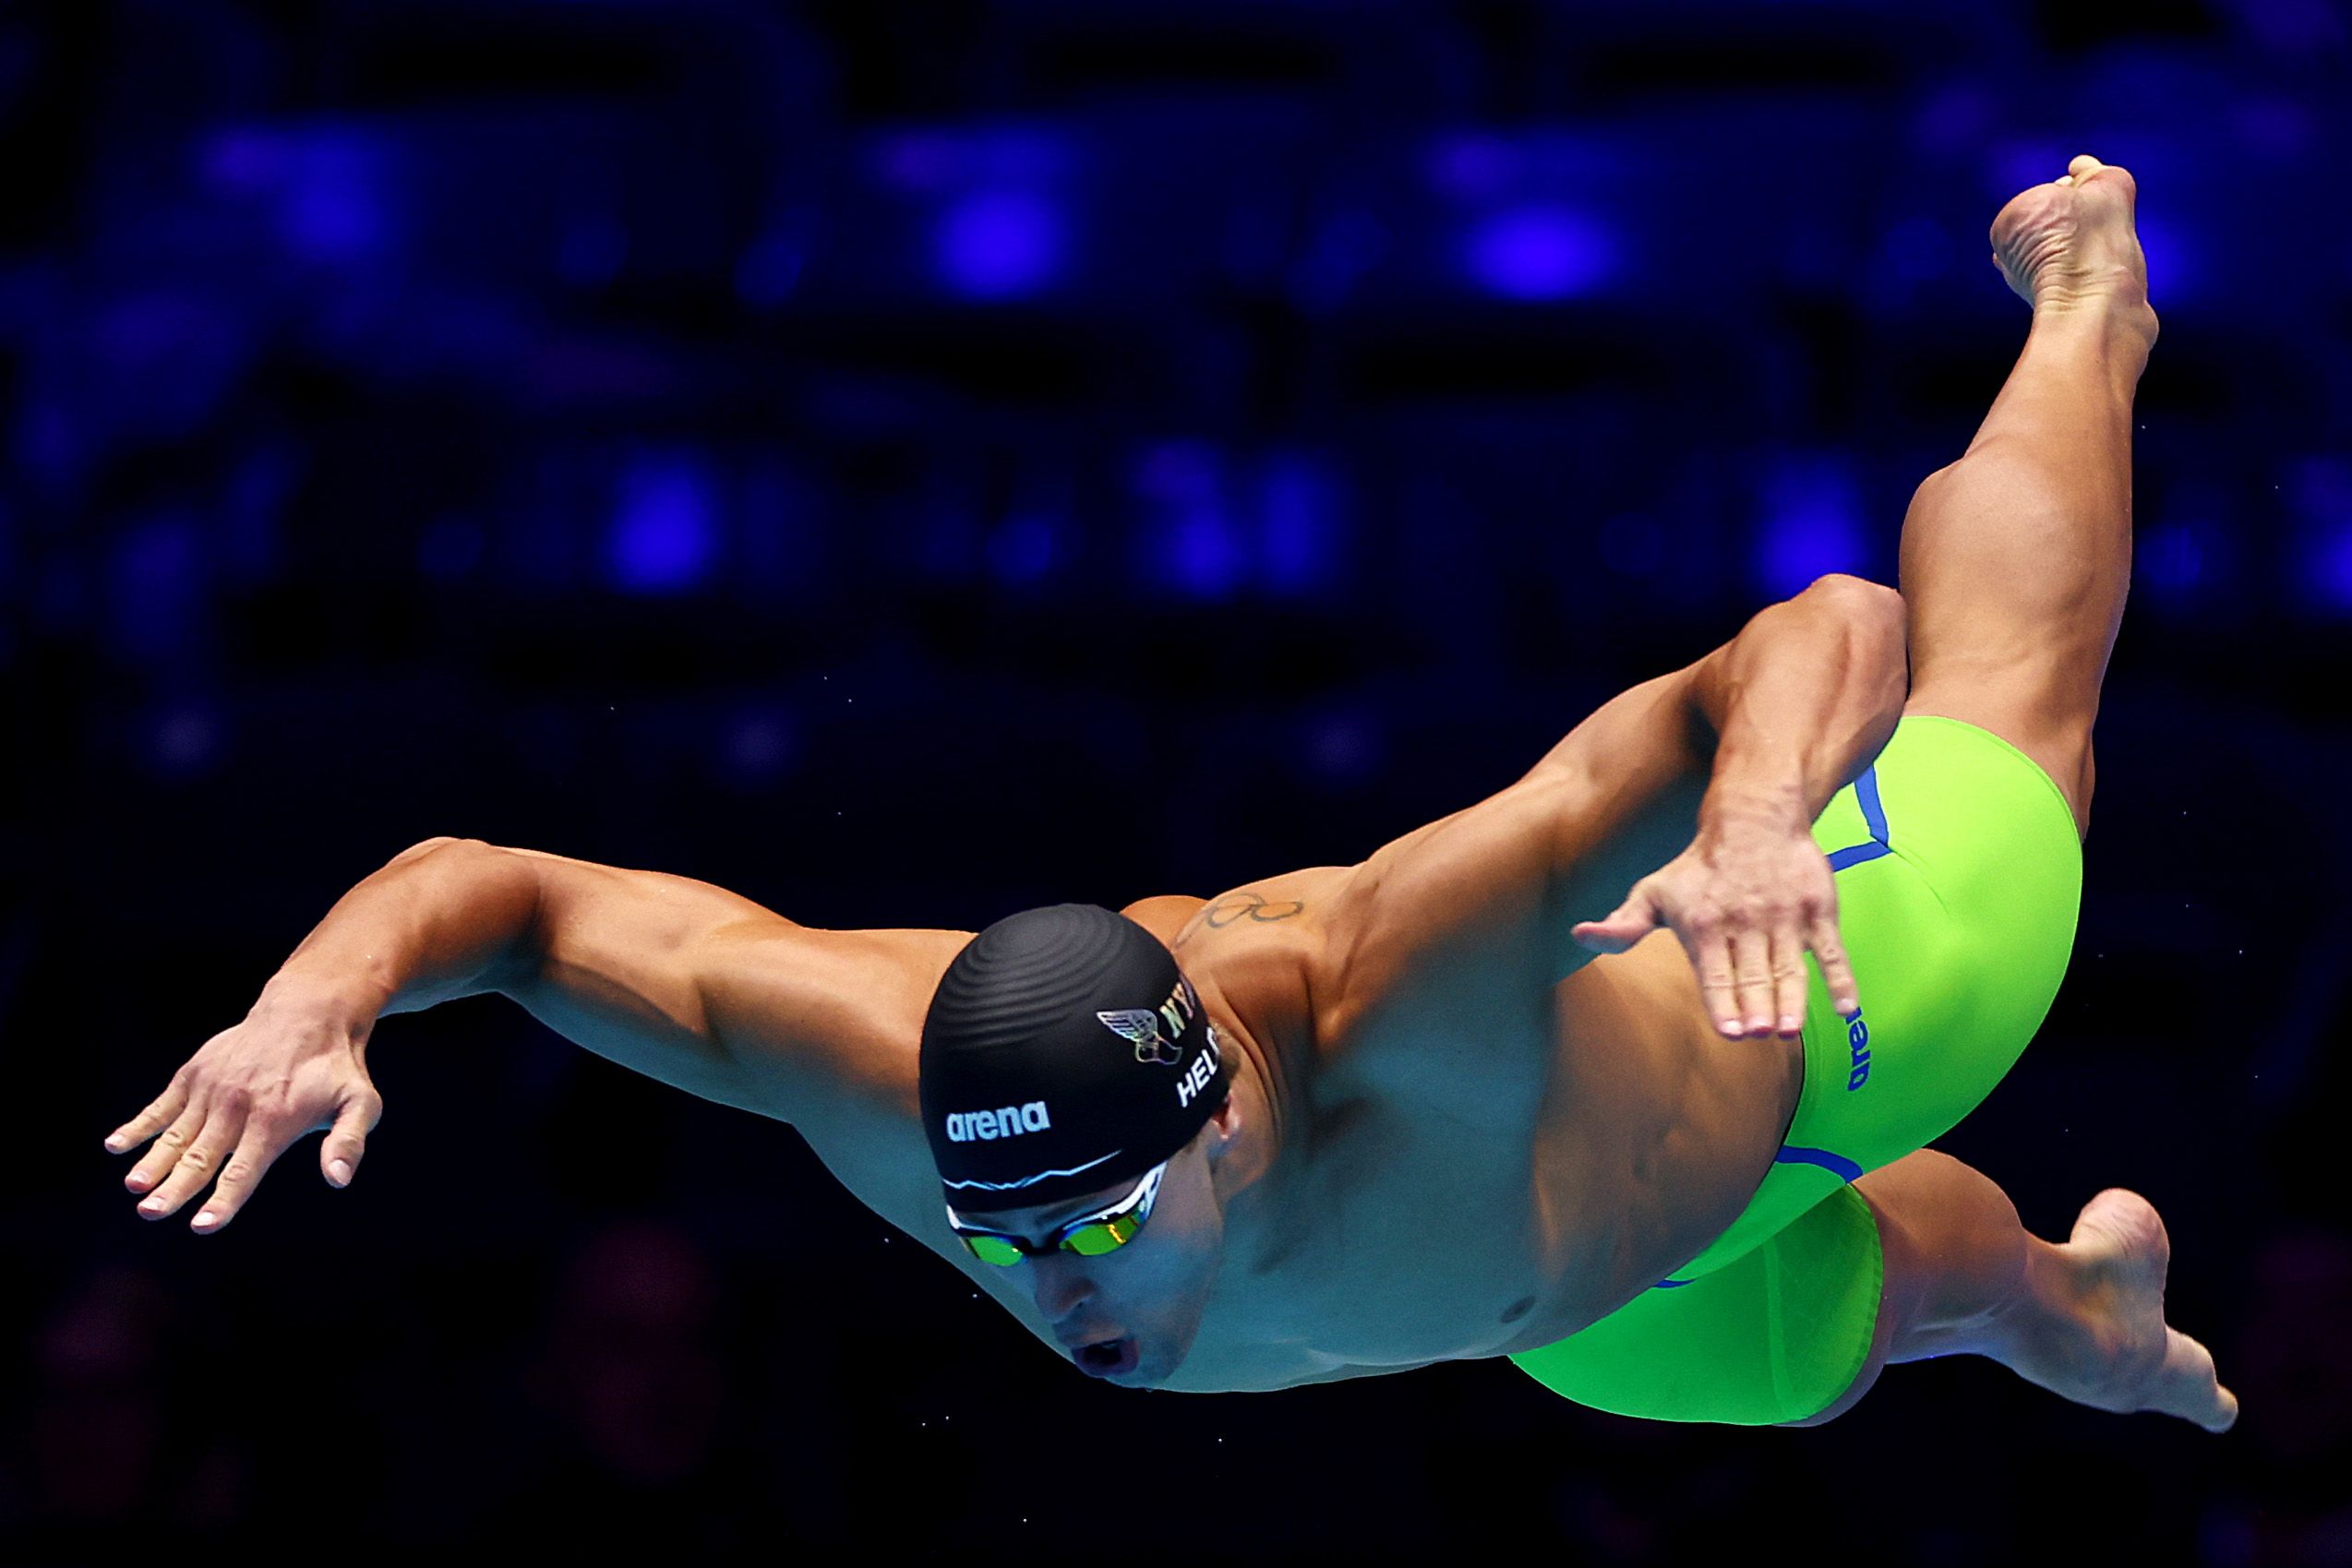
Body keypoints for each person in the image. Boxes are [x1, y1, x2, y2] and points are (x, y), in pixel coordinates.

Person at [105, 156, 2235, 1432]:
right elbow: (500, 893)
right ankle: (2072, 1313)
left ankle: (2083, 304)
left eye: (1095, 1216)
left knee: (2001, 702)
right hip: (1561, 1296)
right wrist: (317, 1006)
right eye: (1004, 1227)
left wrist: (1762, 821)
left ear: (1216, 1107)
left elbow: (1817, 629)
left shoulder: (1404, 980)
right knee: (1859, 1319)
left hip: (1783, 1013)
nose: (1056, 1290)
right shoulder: (882, 1075)